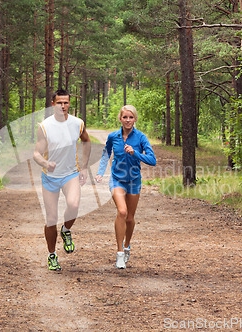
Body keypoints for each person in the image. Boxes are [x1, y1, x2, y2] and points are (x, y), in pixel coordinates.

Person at [33, 89, 91, 271]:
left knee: (73, 206)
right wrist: (45, 162)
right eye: (59, 103)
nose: (63, 106)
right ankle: (52, 255)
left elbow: (86, 141)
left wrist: (84, 167)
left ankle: (66, 230)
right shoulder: (45, 126)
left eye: (66, 102)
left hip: (70, 174)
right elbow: (36, 153)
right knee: (51, 219)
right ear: (53, 104)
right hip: (50, 177)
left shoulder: (77, 123)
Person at [95, 105, 156, 269]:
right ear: (120, 119)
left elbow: (152, 160)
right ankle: (120, 253)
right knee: (122, 212)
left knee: (130, 218)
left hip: (134, 181)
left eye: (131, 117)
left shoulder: (141, 137)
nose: (128, 120)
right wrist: (101, 172)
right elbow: (106, 153)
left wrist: (135, 153)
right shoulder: (113, 136)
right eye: (125, 117)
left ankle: (127, 245)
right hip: (117, 180)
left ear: (135, 119)